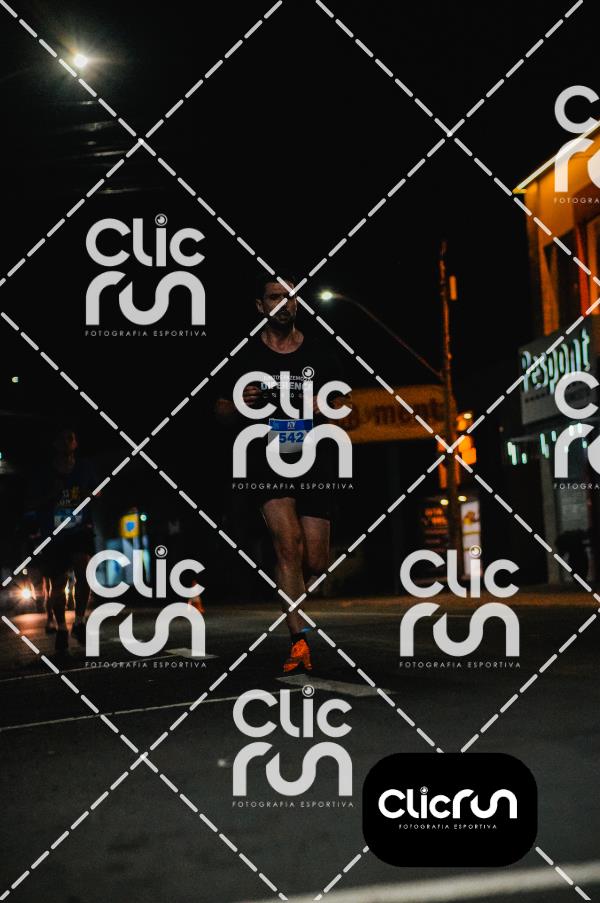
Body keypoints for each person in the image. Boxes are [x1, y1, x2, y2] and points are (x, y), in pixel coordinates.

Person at [215, 276, 351, 674]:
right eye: (276, 297)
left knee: (316, 561)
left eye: (291, 296)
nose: (284, 303)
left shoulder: (321, 351)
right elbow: (219, 410)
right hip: (267, 458)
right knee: (287, 545)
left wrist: (327, 407)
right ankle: (298, 641)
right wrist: (238, 402)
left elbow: (345, 406)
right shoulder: (245, 356)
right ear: (260, 306)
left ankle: (292, 587)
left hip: (314, 459)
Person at [24, 426, 97, 655]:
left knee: (84, 571)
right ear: (55, 444)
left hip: (79, 530)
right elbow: (31, 503)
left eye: (71, 438)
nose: (67, 442)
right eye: (63, 439)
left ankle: (79, 621)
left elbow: (97, 490)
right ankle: (62, 629)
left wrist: (91, 494)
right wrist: (51, 496)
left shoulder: (85, 467)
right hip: (54, 534)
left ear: (76, 443)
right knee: (58, 584)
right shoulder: (43, 473)